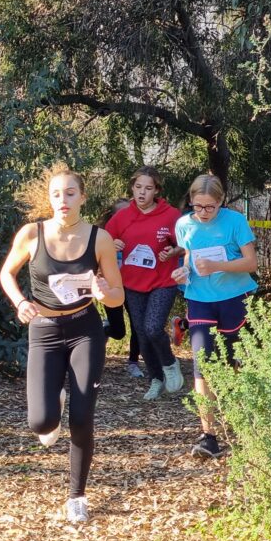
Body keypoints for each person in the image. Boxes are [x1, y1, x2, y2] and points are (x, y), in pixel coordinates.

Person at [0, 164, 124, 523]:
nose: (63, 200)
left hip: (85, 328)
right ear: (49, 198)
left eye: (70, 193)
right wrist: (21, 302)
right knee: (41, 423)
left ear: (82, 197)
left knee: (83, 417)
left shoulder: (98, 239)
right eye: (57, 194)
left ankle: (76, 496)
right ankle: (55, 399)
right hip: (44, 329)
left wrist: (105, 292)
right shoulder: (31, 234)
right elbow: (7, 273)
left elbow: (117, 297)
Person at [172, 174, 257, 458]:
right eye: (198, 206)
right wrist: (182, 273)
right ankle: (208, 435)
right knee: (203, 364)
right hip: (200, 300)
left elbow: (252, 262)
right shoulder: (184, 224)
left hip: (236, 298)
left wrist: (218, 265)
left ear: (221, 201)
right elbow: (188, 259)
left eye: (210, 207)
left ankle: (244, 421)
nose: (203, 213)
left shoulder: (235, 221)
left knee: (235, 362)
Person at [104, 167, 185, 401]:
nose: (142, 193)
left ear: (157, 190)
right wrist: (113, 244)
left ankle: (170, 365)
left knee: (152, 328)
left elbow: (185, 244)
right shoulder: (122, 216)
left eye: (148, 188)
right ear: (132, 187)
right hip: (132, 283)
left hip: (163, 281)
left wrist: (174, 251)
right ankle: (155, 379)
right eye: (138, 187)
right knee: (141, 333)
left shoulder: (170, 215)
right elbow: (103, 242)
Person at [98, 199, 144, 378]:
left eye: (130, 213)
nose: (126, 216)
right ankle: (105, 329)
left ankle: (133, 362)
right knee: (119, 332)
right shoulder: (102, 237)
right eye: (121, 213)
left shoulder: (140, 232)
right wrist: (109, 246)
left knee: (138, 326)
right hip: (112, 287)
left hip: (134, 286)